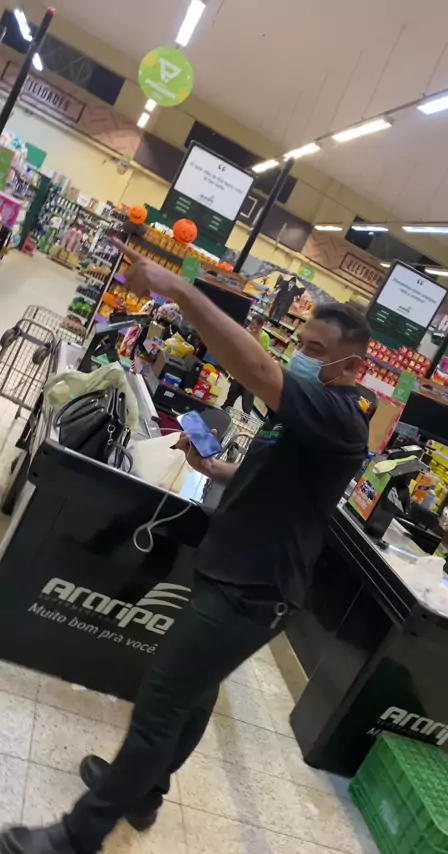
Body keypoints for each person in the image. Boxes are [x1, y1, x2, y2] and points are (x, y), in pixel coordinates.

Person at [0, 244, 371, 854]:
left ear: (352, 366)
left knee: (160, 705)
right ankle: (143, 795)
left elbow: (254, 367)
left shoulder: (338, 414)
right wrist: (214, 468)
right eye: (300, 344)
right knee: (194, 697)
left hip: (252, 590)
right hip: (237, 571)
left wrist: (179, 289)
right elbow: (278, 472)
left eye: (315, 350)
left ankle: (77, 836)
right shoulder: (313, 413)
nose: (300, 357)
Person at [222, 313, 270, 415]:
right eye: (251, 323)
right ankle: (227, 406)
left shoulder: (264, 337)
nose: (251, 326)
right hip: (243, 367)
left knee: (248, 393)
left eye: (254, 324)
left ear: (260, 326)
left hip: (254, 371)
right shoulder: (248, 332)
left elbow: (263, 354)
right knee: (234, 387)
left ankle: (246, 414)